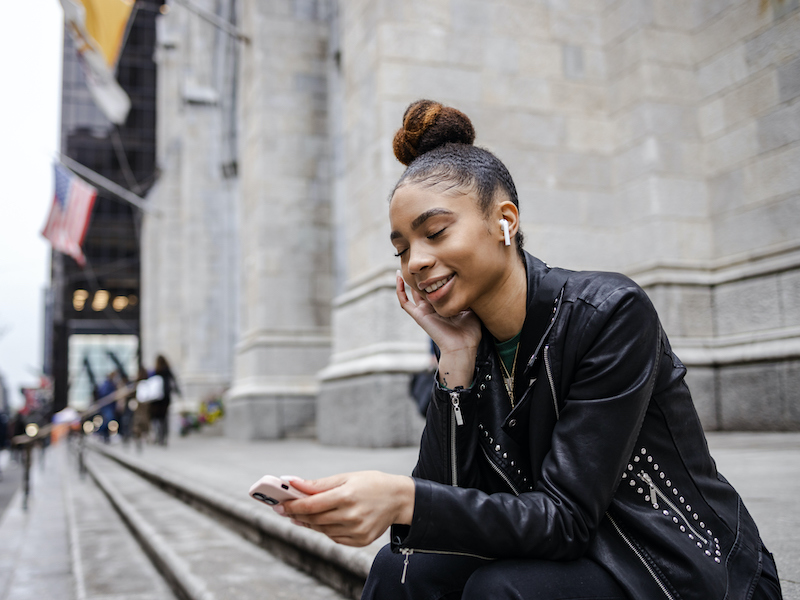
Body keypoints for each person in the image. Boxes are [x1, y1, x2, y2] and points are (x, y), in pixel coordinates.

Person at [279, 100, 783, 600]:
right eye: (402, 248)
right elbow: (448, 508)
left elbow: (565, 518)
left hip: (678, 566)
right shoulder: (471, 343)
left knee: (501, 591)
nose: (417, 261)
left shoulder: (610, 314)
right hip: (575, 553)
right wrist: (454, 362)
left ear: (505, 221)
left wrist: (403, 499)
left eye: (434, 232)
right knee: (399, 568)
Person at [149, 354, 180, 446]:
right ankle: (164, 437)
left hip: (156, 398)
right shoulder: (167, 370)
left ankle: (158, 436)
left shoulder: (155, 371)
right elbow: (174, 382)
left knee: (157, 418)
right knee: (164, 418)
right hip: (166, 397)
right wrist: (178, 393)